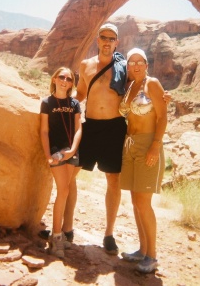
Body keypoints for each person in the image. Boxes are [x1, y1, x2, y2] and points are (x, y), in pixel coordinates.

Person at [63, 23, 171, 256]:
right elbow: (81, 93)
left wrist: (163, 98)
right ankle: (67, 228)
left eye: (111, 38)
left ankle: (109, 234)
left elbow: (141, 86)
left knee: (113, 181)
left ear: (116, 43)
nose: (107, 41)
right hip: (90, 126)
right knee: (70, 174)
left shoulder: (123, 67)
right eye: (103, 37)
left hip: (114, 128)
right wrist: (62, 101)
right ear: (98, 39)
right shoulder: (86, 65)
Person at [119, 48, 167, 273]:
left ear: (147, 64)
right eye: (132, 62)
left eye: (140, 61)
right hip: (130, 144)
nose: (136, 65)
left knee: (144, 203)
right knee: (136, 201)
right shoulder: (130, 87)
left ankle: (152, 256)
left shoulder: (152, 83)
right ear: (128, 66)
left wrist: (155, 145)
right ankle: (142, 249)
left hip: (148, 144)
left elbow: (163, 116)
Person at [40, 67, 82, 259]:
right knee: (63, 190)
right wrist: (48, 154)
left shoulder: (74, 104)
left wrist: (73, 149)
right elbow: (44, 131)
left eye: (69, 78)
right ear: (55, 79)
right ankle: (56, 236)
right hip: (56, 152)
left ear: (72, 83)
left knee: (66, 190)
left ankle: (59, 234)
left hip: (71, 151)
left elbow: (79, 128)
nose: (65, 80)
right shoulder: (47, 103)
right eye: (62, 77)